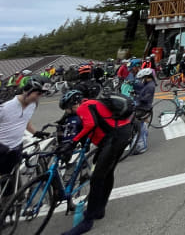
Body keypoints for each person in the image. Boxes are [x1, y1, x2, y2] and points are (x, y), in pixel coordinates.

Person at [59, 91, 133, 235]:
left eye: (67, 109)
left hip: (115, 137)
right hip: (123, 133)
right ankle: (100, 209)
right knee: (107, 172)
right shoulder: (92, 103)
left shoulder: (83, 107)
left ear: (72, 104)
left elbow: (90, 125)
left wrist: (72, 143)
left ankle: (88, 221)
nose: (67, 112)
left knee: (97, 177)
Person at [0, 79, 46, 177]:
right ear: (27, 91)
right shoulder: (5, 106)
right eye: (37, 94)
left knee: (11, 182)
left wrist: (35, 132)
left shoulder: (33, 104)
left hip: (16, 148)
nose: (38, 97)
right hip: (2, 149)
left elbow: (25, 120)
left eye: (41, 94)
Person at [132, 68, 155, 154]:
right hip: (143, 107)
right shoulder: (148, 84)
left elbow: (146, 98)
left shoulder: (150, 86)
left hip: (144, 108)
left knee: (137, 125)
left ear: (147, 77)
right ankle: (143, 137)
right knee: (141, 125)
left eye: (143, 78)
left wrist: (138, 98)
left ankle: (141, 147)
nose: (141, 80)